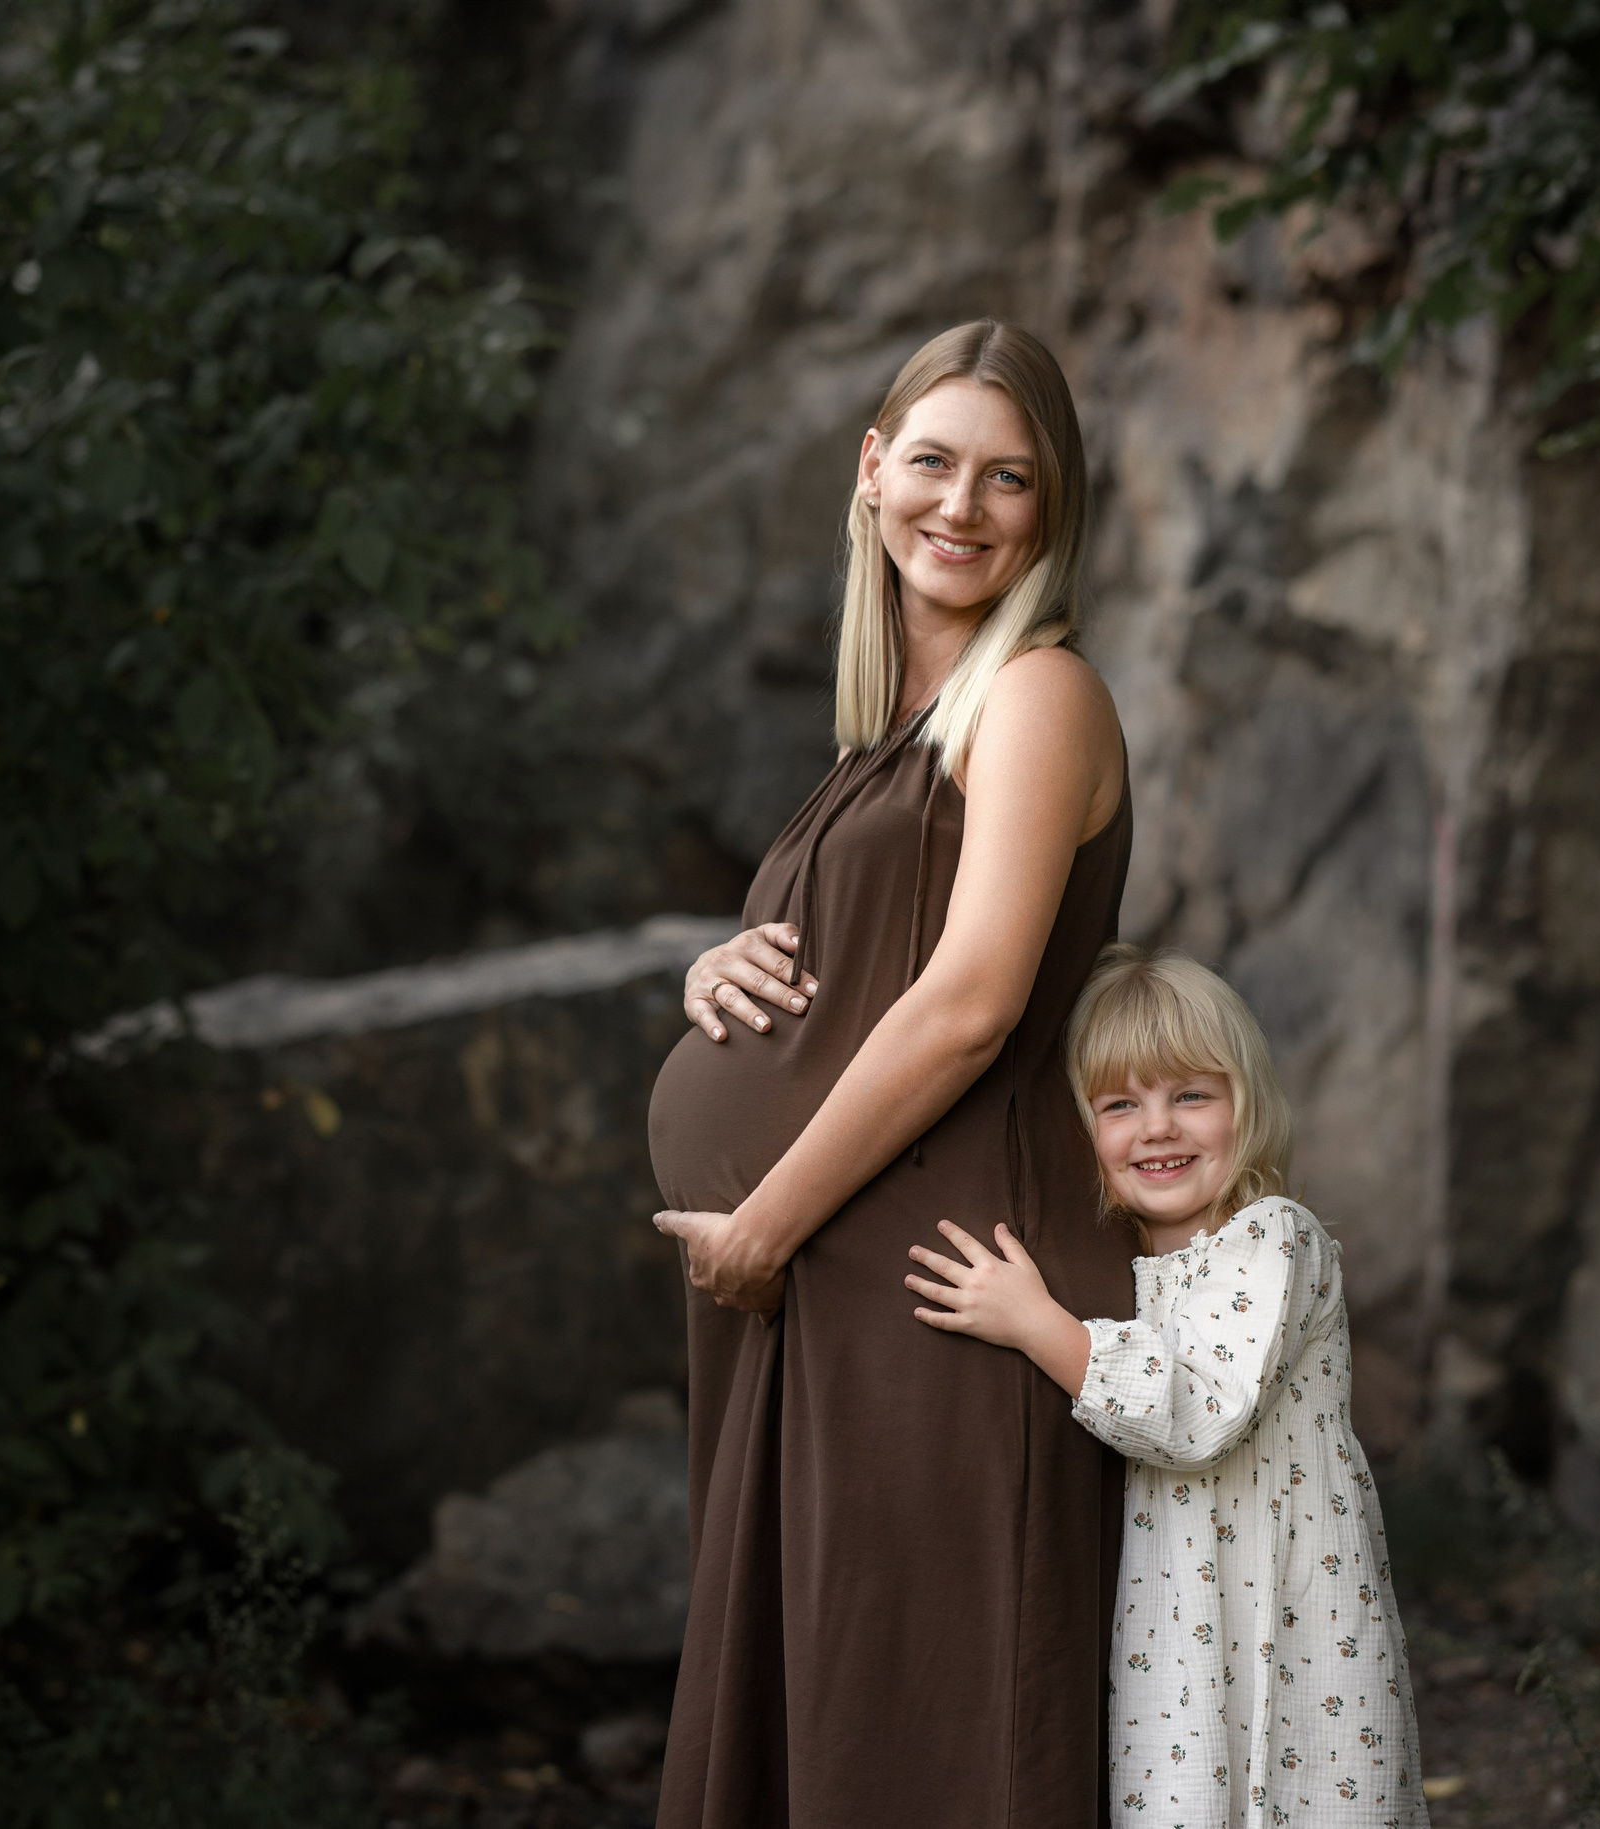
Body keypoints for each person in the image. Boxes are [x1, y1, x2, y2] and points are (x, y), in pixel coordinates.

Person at [646, 320, 1133, 1827]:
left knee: (922, 1740)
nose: (962, 506)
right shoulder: (885, 736)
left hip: (937, 1285)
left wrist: (770, 1221)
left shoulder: (1036, 695)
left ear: (1052, 510)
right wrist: (712, 967)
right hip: (831, 1288)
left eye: (1009, 478)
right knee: (834, 1725)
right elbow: (849, 964)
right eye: (932, 461)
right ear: (872, 472)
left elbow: (973, 1002)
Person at [903, 945, 1429, 1829]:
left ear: (1246, 1105)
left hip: (1302, 1631)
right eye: (1120, 1103)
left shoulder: (1274, 1239)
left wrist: (1036, 1322)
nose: (1158, 1126)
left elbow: (1193, 1413)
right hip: (1180, 1643)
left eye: (1191, 1094)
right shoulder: (1127, 1273)